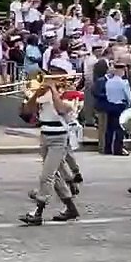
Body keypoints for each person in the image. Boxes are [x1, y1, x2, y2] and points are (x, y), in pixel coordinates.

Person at [18, 59, 80, 225]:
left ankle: (38, 211)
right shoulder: (44, 92)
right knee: (56, 176)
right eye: (50, 70)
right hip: (45, 135)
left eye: (55, 71)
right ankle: (71, 208)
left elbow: (61, 109)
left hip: (59, 138)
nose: (50, 74)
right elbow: (27, 111)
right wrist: (36, 94)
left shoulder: (71, 93)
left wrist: (52, 89)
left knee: (46, 176)